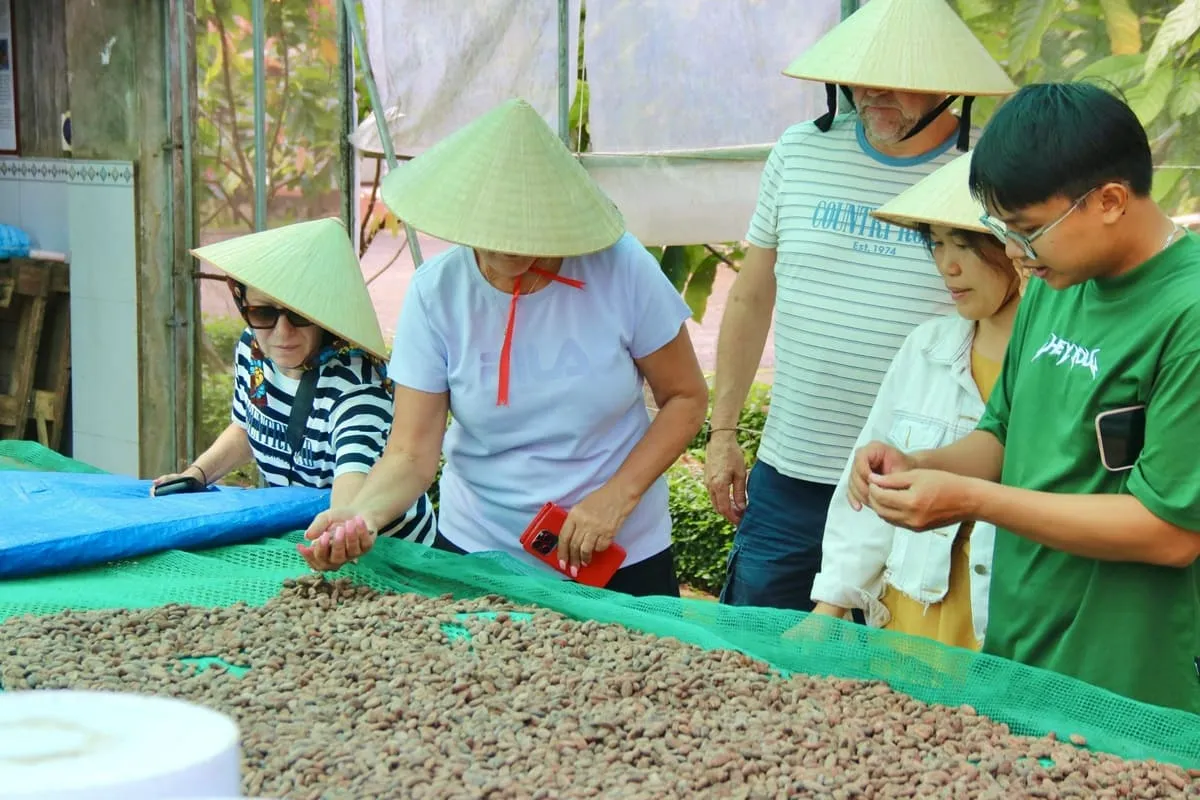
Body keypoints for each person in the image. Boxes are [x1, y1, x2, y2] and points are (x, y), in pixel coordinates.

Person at [848, 82, 1200, 713]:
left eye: (1029, 229)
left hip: (1127, 677)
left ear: (1111, 200)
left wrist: (970, 500)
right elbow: (1004, 434)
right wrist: (919, 465)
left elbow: (1169, 532)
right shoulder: (1055, 283)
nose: (1014, 252)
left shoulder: (1187, 314)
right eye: (1003, 228)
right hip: (1021, 647)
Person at [300, 99, 709, 597]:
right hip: (480, 549)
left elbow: (686, 397)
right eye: (493, 228)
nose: (509, 245)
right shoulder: (436, 293)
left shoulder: (620, 268)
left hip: (617, 552)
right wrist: (360, 515)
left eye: (526, 227)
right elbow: (410, 451)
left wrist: (616, 498)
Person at [705, 0, 1017, 611]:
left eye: (897, 78)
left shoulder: (987, 171)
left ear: (947, 83)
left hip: (917, 474)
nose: (872, 91)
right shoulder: (798, 152)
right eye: (860, 75)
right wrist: (723, 432)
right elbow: (750, 296)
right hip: (792, 471)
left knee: (890, 654)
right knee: (752, 648)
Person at [810, 151, 1022, 650]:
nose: (948, 266)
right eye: (936, 243)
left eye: (966, 245)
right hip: (910, 624)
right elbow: (871, 489)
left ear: (1017, 244)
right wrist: (830, 605)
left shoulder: (1061, 360)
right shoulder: (925, 348)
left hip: (1008, 634)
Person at [154, 218, 437, 551]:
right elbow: (247, 426)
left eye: (299, 314)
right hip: (310, 532)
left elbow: (351, 486)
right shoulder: (254, 349)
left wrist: (338, 533)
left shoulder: (357, 386)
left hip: (388, 551)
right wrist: (197, 475)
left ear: (325, 314)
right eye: (263, 313)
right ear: (243, 305)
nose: (281, 332)